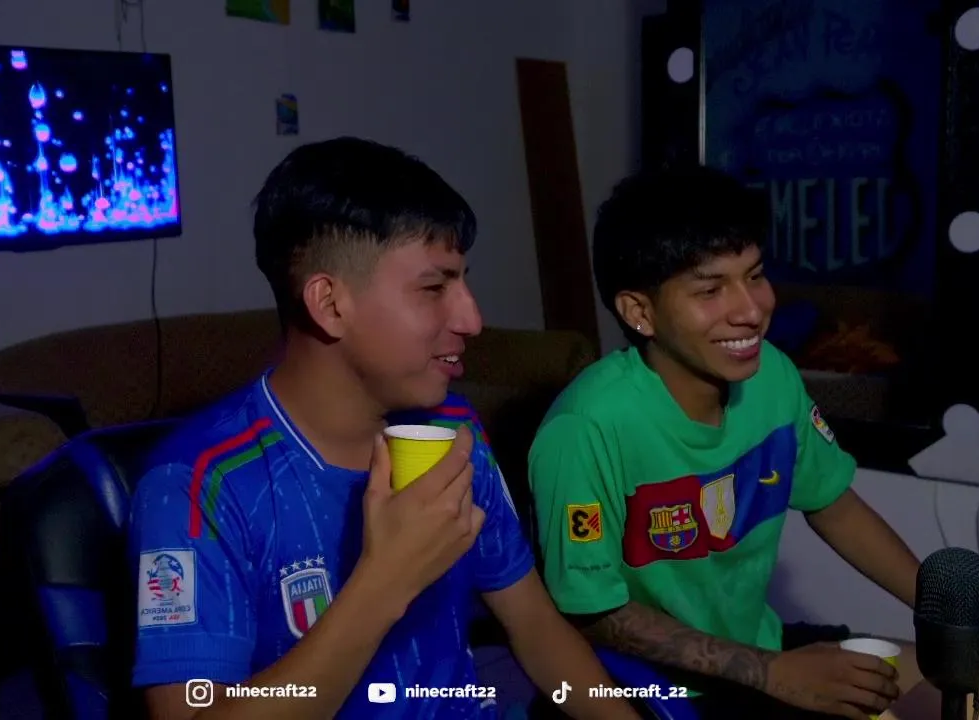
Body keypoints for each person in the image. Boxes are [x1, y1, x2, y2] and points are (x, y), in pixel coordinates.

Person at [129, 137, 639, 720]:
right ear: (330, 304)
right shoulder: (195, 486)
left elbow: (535, 626)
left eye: (463, 283)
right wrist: (385, 582)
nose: (472, 319)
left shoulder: (451, 429)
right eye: (434, 288)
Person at [526, 165, 924, 720]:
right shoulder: (584, 428)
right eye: (711, 290)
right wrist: (771, 673)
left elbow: (835, 507)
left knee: (944, 680)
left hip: (759, 650)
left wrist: (944, 610)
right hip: (644, 686)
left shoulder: (772, 376)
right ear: (640, 312)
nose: (752, 310)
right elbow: (593, 612)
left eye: (755, 275)